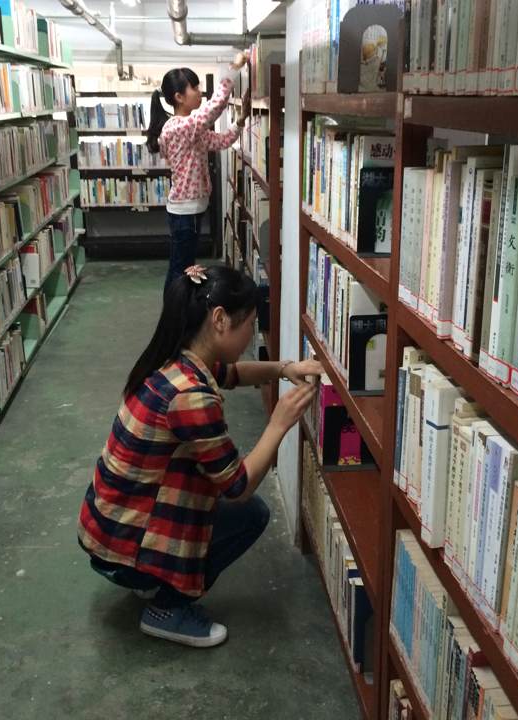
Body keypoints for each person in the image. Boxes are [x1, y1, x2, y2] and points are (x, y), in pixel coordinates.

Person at [77, 264, 322, 648]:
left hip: (108, 527)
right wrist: (279, 423)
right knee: (251, 515)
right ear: (220, 320)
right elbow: (237, 486)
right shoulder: (190, 397)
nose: (251, 334)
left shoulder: (176, 360)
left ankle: (151, 577)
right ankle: (167, 607)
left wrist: (283, 368)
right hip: (123, 546)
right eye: (250, 324)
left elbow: (234, 373)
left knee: (219, 506)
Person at [145, 54, 251, 292]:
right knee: (181, 270)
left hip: (189, 210)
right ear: (179, 97)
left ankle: (179, 308)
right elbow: (214, 108)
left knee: (185, 267)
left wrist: (241, 120)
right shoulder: (181, 127)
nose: (200, 92)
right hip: (185, 211)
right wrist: (234, 68)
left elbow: (221, 141)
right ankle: (174, 311)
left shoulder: (189, 129)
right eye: (194, 87)